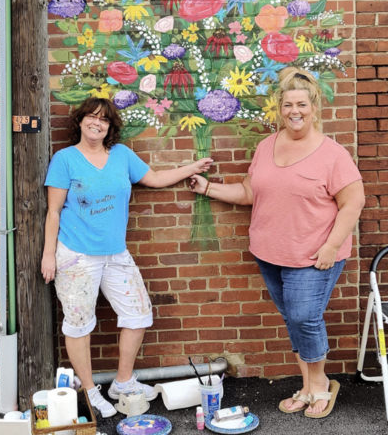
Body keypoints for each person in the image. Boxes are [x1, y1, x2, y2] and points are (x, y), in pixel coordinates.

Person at [189, 67, 364, 419]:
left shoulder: (332, 154)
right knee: (294, 319)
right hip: (271, 252)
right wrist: (207, 188)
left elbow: (354, 201)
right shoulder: (267, 145)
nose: (294, 111)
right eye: (287, 105)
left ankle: (320, 385)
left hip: (314, 254)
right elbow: (252, 192)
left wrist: (331, 246)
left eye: (301, 104)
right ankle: (308, 385)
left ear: (314, 108)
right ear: (280, 109)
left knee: (304, 317)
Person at [41, 97, 213, 418]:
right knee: (79, 324)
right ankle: (91, 391)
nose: (97, 123)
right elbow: (53, 211)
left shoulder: (121, 155)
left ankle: (122, 382)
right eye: (91, 117)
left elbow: (155, 179)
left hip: (115, 254)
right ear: (80, 122)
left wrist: (192, 167)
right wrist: (48, 254)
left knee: (138, 313)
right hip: (75, 256)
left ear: (110, 127)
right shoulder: (64, 159)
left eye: (104, 120)